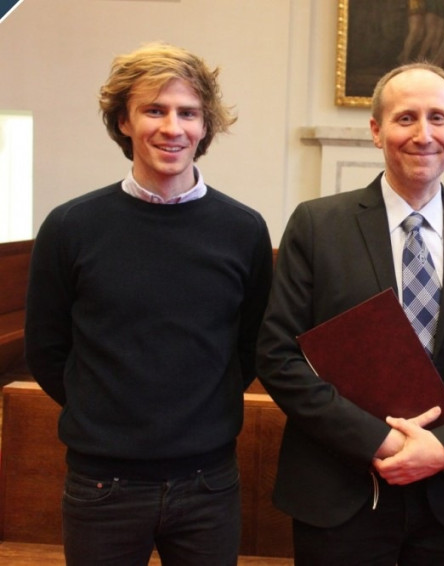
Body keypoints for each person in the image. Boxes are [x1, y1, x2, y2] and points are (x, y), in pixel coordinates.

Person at [256, 61, 444, 565]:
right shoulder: (318, 226)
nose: (423, 134)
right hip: (340, 493)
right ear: (376, 130)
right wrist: (377, 440)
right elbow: (278, 356)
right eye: (406, 118)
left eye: (437, 118)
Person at [25, 42, 273, 566]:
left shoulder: (243, 229)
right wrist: (102, 411)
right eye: (154, 110)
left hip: (209, 483)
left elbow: (251, 344)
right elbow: (46, 348)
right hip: (103, 485)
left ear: (205, 125)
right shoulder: (71, 226)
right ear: (124, 121)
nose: (172, 128)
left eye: (188, 112)